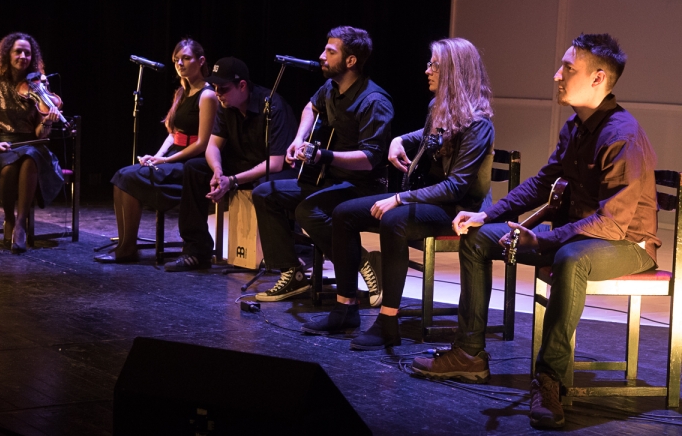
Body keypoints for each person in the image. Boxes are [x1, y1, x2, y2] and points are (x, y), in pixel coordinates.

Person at [411, 34, 659, 430]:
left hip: (627, 243)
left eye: (568, 69)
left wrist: (541, 239)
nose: (556, 75)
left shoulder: (621, 135)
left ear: (598, 79)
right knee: (477, 239)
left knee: (570, 258)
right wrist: (485, 216)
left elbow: (611, 223)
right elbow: (542, 183)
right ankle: (470, 353)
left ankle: (550, 378)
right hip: (578, 236)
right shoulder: (577, 127)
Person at [301, 38, 495, 350]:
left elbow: (457, 186)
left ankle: (388, 322)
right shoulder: (439, 107)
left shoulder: (479, 122)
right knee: (344, 213)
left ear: (454, 72)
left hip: (459, 210)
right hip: (433, 200)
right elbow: (428, 135)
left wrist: (399, 198)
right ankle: (345, 307)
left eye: (434, 65)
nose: (427, 70)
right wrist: (401, 139)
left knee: (394, 220)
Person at [252, 26, 394, 303]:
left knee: (309, 211)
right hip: (327, 181)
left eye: (331, 51)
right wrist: (298, 138)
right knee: (265, 193)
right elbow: (310, 107)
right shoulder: (330, 87)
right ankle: (292, 274)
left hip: (363, 188)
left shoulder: (375, 101)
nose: (321, 56)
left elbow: (368, 160)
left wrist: (323, 156)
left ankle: (360, 260)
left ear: (351, 61)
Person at [164, 57, 298, 272]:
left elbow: (275, 163)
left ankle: (277, 255)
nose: (217, 93)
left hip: (276, 170)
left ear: (242, 86)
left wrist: (233, 180)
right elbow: (212, 146)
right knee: (195, 169)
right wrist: (218, 172)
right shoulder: (226, 105)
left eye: (223, 89)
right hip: (243, 163)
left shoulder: (272, 106)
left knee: (265, 184)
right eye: (215, 88)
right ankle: (196, 250)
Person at [94, 39, 217, 263]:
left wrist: (165, 161)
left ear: (201, 62)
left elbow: (202, 143)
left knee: (130, 178)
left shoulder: (207, 95)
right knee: (121, 175)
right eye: (176, 60)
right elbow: (172, 133)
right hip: (174, 157)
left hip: (193, 163)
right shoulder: (182, 92)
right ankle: (126, 245)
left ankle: (127, 249)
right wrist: (158, 156)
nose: (180, 63)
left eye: (186, 58)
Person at [0, 32, 65, 254]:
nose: (23, 56)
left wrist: (47, 121)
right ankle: (8, 218)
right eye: (18, 51)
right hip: (5, 145)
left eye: (27, 52)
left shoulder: (38, 86)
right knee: (7, 169)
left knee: (30, 158)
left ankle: (20, 225)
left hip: (33, 144)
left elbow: (40, 135)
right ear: (8, 54)